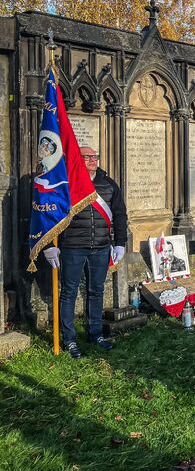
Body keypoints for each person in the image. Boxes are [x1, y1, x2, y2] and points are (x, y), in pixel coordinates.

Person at [42, 146, 127, 358]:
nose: (92, 160)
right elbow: (50, 216)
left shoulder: (108, 184)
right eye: (86, 156)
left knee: (96, 291)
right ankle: (69, 339)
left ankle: (95, 333)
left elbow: (119, 214)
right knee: (69, 293)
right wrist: (49, 246)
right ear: (77, 160)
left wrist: (120, 243)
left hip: (100, 246)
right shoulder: (65, 185)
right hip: (72, 247)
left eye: (95, 156)